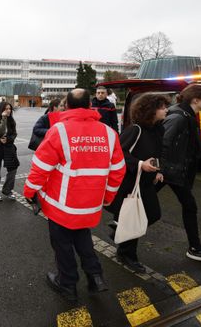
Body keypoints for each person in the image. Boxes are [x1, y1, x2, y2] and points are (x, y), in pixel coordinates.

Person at [23, 88, 126, 301]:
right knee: (83, 237)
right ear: (90, 105)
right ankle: (95, 277)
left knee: (62, 244)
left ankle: (67, 284)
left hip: (61, 204)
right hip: (90, 204)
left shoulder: (59, 131)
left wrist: (29, 191)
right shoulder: (109, 133)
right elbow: (118, 171)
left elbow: (40, 167)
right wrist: (107, 197)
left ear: (67, 106)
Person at [156, 84, 201, 266]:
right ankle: (124, 243)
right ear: (196, 100)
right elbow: (163, 143)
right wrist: (160, 170)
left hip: (176, 171)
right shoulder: (179, 117)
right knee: (144, 206)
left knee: (188, 206)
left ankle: (195, 248)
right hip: (170, 171)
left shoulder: (187, 114)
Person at [106, 94, 170, 273]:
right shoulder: (135, 130)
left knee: (153, 215)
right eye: (163, 107)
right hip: (130, 184)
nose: (166, 110)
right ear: (151, 110)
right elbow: (117, 154)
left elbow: (158, 152)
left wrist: (158, 170)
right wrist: (141, 164)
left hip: (146, 182)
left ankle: (121, 232)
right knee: (137, 219)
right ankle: (127, 254)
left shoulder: (159, 129)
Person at [0, 102, 20, 201]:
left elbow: (14, 134)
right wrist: (4, 118)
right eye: (6, 109)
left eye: (9, 109)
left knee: (13, 169)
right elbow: (0, 130)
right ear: (2, 110)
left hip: (8, 147)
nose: (8, 110)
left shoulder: (12, 121)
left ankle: (7, 190)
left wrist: (8, 139)